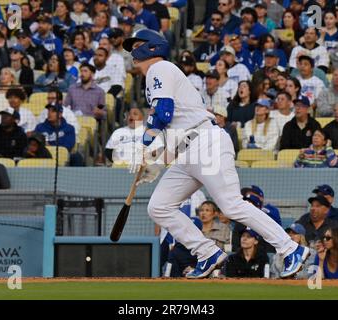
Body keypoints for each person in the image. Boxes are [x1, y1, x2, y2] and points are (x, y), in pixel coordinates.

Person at [123, 29, 310, 279]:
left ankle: (291, 248)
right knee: (159, 206)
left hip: (205, 143)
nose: (133, 52)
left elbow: (163, 112)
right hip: (188, 150)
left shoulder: (160, 68)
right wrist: (154, 162)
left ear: (151, 47)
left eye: (136, 45)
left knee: (231, 205)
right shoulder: (155, 78)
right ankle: (207, 252)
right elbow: (173, 129)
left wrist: (144, 144)